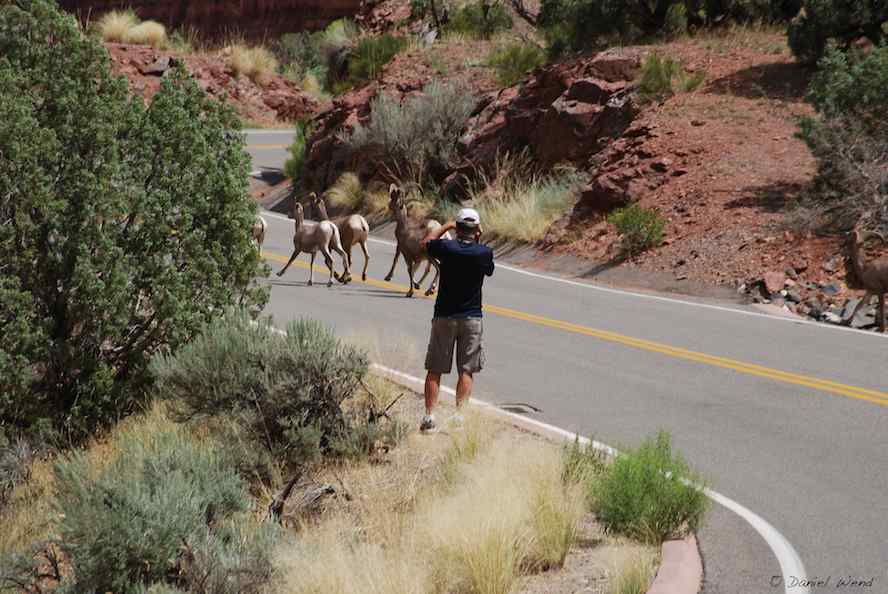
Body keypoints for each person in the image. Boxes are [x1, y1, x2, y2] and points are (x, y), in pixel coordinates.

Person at [418, 208, 495, 433]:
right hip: (472, 317)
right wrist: (479, 236)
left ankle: (430, 416)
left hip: (444, 315)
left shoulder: (447, 248)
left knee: (435, 368)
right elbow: (488, 269)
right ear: (477, 230)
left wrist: (447, 226)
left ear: (459, 228)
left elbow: (427, 242)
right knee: (466, 369)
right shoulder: (483, 253)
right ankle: (459, 416)